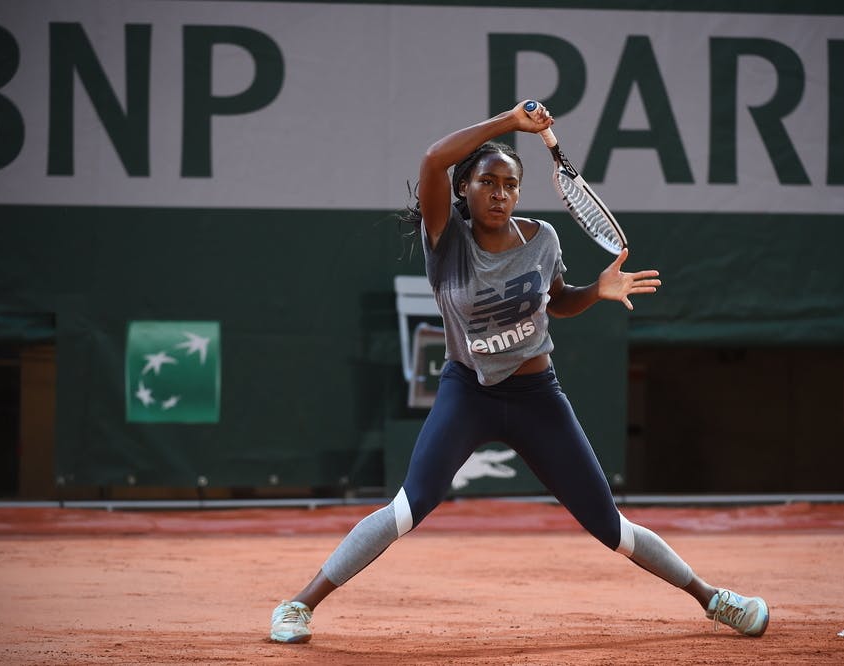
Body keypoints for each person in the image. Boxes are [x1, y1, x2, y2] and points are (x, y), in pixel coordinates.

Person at [270, 101, 769, 643]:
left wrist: (595, 293)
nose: (499, 193)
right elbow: (435, 158)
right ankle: (298, 605)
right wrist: (510, 122)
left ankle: (715, 600)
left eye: (509, 184)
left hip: (538, 397)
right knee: (407, 509)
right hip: (469, 393)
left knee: (611, 527)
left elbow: (557, 303)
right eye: (487, 181)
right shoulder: (446, 240)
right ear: (465, 188)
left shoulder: (543, 240)